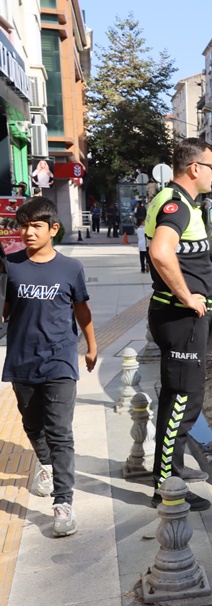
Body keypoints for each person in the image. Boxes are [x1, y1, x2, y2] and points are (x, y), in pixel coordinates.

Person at [2, 196, 97, 537]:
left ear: (53, 229)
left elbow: (81, 309)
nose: (28, 232)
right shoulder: (10, 266)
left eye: (36, 226)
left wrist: (92, 346)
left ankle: (63, 504)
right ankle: (45, 464)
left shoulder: (70, 268)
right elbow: (5, 310)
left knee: (60, 432)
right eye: (23, 226)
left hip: (59, 358)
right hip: (22, 358)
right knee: (31, 423)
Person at [145, 137, 212, 511]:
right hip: (180, 318)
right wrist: (188, 296)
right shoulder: (177, 205)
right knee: (184, 400)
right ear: (194, 168)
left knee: (176, 397)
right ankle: (167, 485)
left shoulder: (178, 201)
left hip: (177, 318)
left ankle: (168, 469)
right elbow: (160, 252)